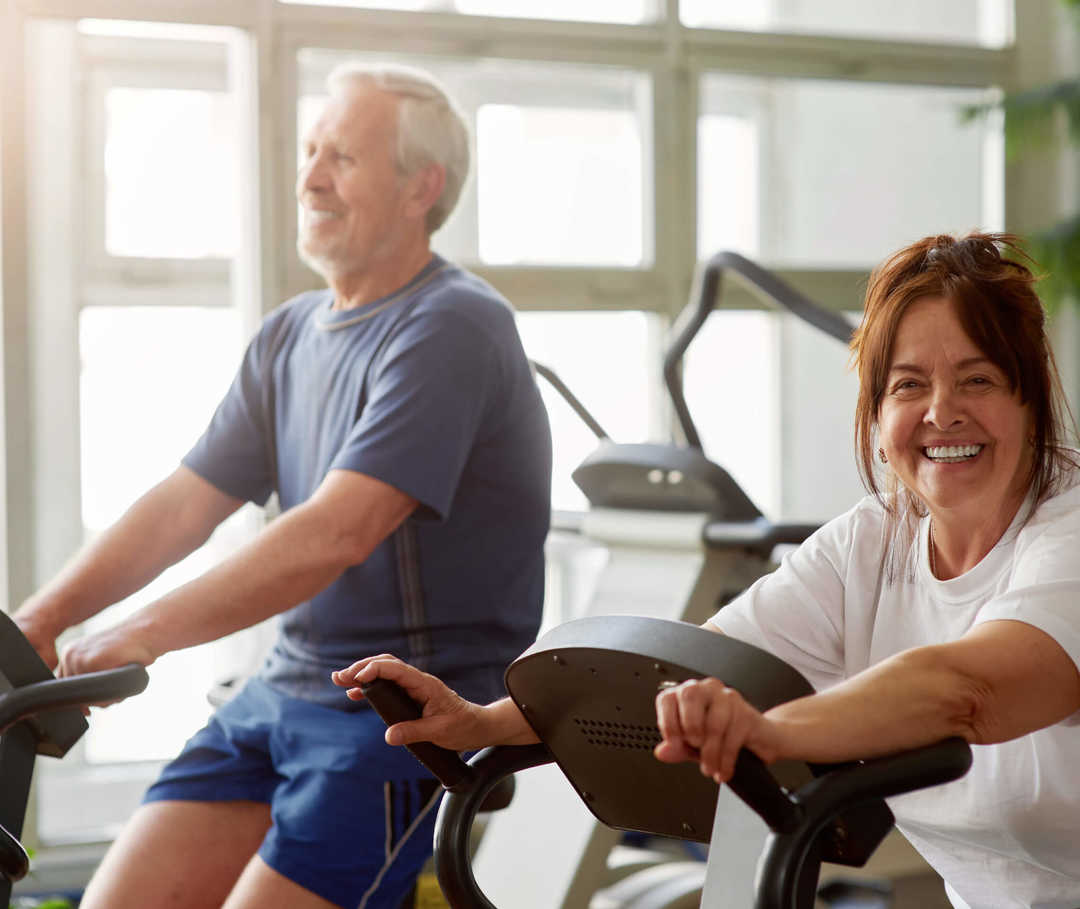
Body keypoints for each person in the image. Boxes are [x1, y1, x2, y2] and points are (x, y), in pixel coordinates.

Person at [336, 232, 1080, 909]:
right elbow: (693, 664)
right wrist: (486, 721)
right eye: (909, 385)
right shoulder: (873, 540)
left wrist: (767, 731)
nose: (942, 412)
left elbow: (969, 689)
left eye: (978, 380)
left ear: (1030, 401)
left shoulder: (1068, 532)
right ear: (880, 424)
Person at [14, 62, 551, 909]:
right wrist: (37, 621)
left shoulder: (452, 324)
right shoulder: (293, 333)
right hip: (283, 689)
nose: (309, 177)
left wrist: (141, 632)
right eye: (309, 151)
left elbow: (339, 530)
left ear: (423, 187)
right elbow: (186, 501)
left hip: (403, 708)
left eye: (341, 155)